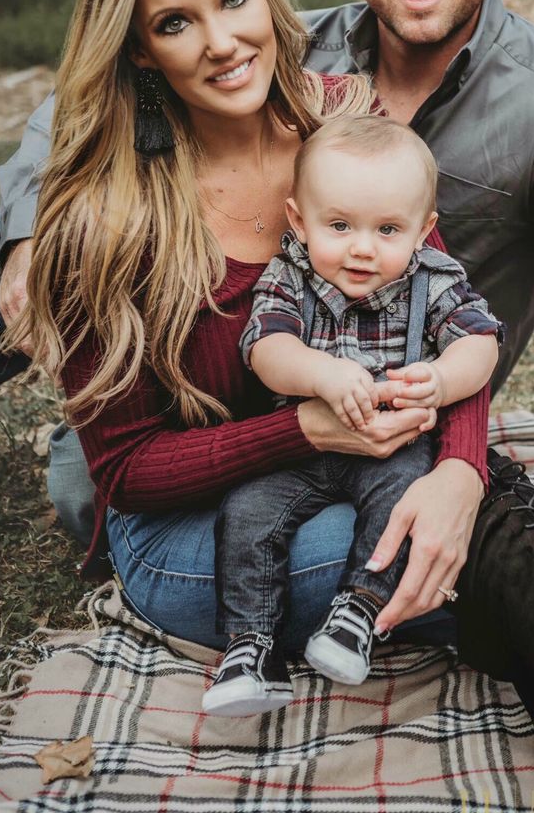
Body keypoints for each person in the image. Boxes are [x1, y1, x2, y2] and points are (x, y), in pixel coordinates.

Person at [0, 0, 534, 813]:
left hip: (351, 464)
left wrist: (457, 468)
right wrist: (302, 429)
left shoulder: (340, 123)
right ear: (137, 49)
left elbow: (439, 300)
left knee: (476, 536)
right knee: (487, 554)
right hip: (193, 533)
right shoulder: (104, 218)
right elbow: (124, 477)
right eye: (175, 21)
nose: (221, 40)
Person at [203, 115, 501, 715]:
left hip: (396, 448)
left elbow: (482, 342)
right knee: (247, 513)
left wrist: (442, 379)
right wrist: (320, 373)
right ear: (298, 220)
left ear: (424, 231)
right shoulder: (290, 275)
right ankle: (250, 648)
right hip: (306, 449)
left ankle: (357, 615)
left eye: (388, 228)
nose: (363, 248)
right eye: (339, 225)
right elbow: (266, 349)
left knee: (400, 503)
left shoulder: (433, 279)